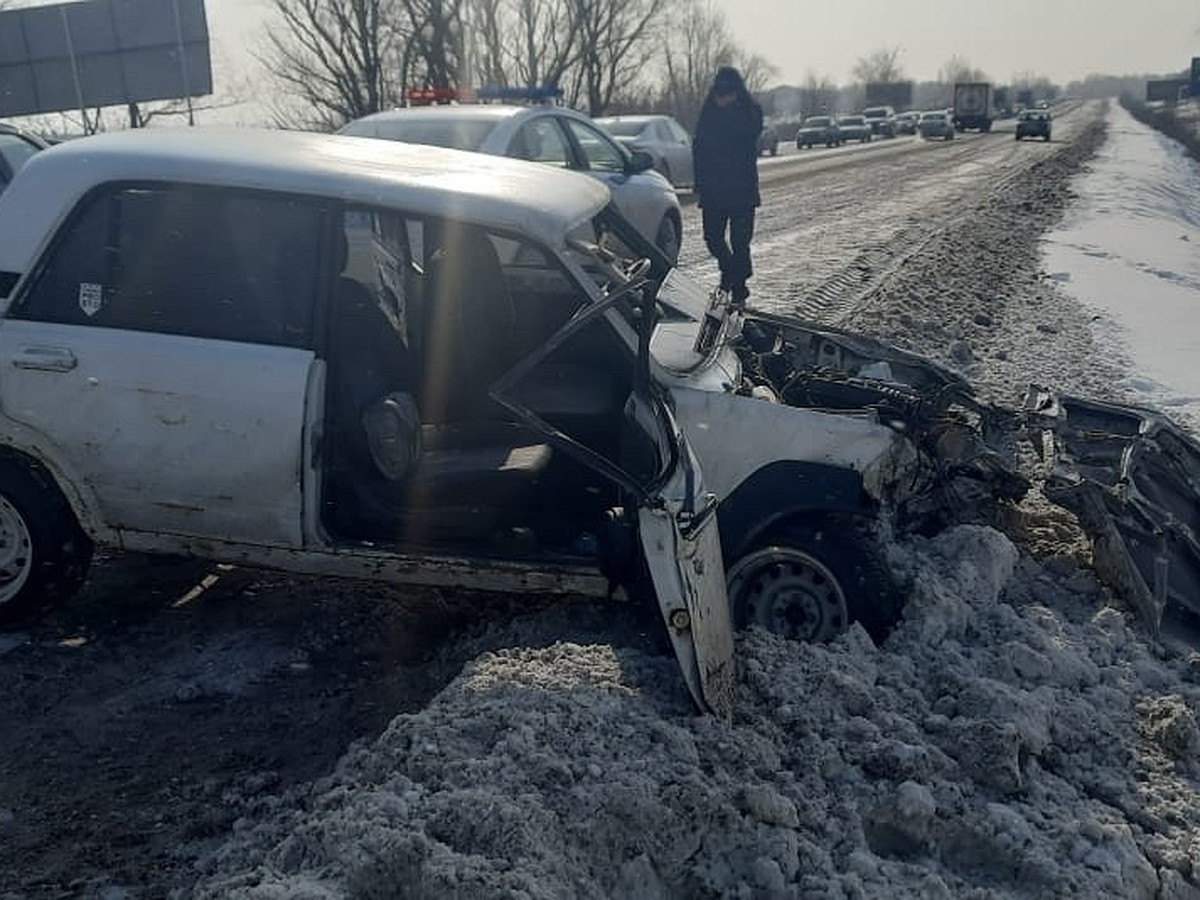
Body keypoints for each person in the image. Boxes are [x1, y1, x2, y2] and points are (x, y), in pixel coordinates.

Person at [691, 66, 763, 306]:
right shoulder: (708, 111)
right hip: (713, 189)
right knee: (713, 239)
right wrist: (699, 181)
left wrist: (730, 109)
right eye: (719, 90)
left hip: (741, 188)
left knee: (740, 242)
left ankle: (738, 288)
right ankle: (732, 272)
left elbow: (750, 133)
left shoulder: (749, 110)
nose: (721, 95)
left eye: (727, 91)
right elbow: (698, 145)